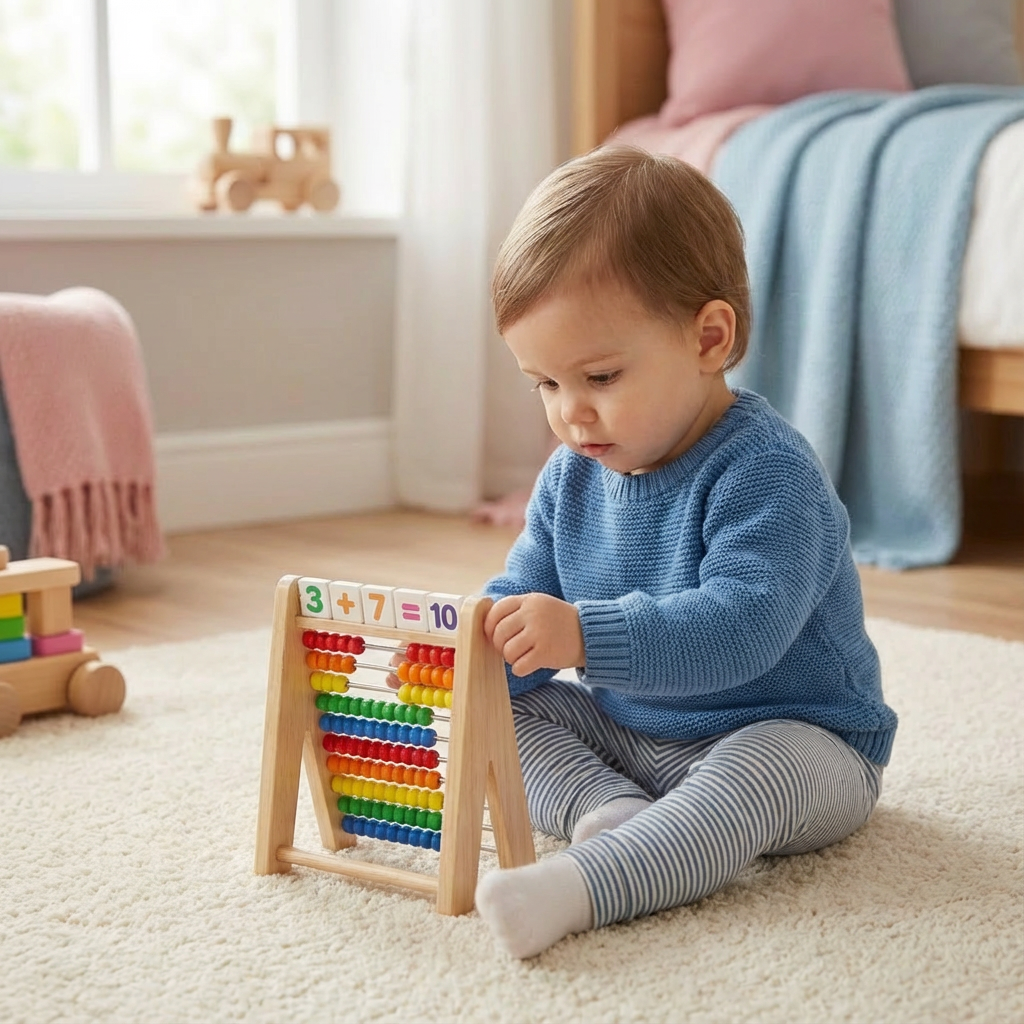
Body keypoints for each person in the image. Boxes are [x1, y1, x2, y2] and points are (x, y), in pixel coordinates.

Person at [472, 146, 897, 959]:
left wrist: (584, 636)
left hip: (798, 737)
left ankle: (589, 885)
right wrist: (488, 648)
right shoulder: (571, 475)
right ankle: (616, 817)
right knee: (503, 716)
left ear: (708, 338)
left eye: (598, 375)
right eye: (546, 385)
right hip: (639, 740)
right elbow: (526, 591)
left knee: (763, 769)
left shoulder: (768, 471)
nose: (570, 415)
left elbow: (743, 628)